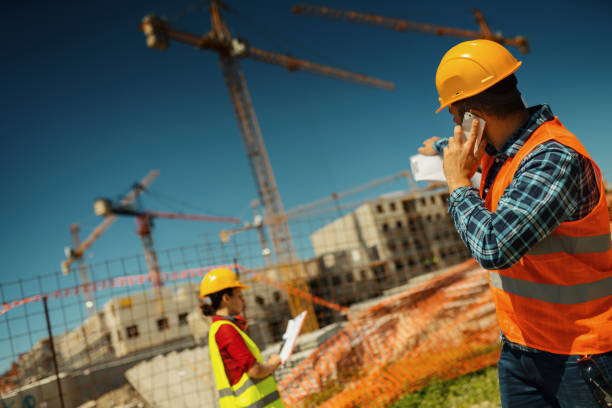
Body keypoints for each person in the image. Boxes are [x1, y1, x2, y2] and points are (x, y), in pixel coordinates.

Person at [420, 39, 612, 407]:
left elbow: (494, 247)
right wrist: (439, 147)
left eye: (456, 118)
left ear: (473, 116)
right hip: (522, 347)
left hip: (580, 352)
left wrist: (459, 184)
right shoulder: (502, 153)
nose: (457, 128)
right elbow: (471, 145)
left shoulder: (552, 158)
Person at [200, 267, 285, 408]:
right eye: (239, 296)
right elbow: (255, 371)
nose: (243, 301)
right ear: (226, 298)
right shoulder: (225, 329)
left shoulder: (220, 327)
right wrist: (274, 362)